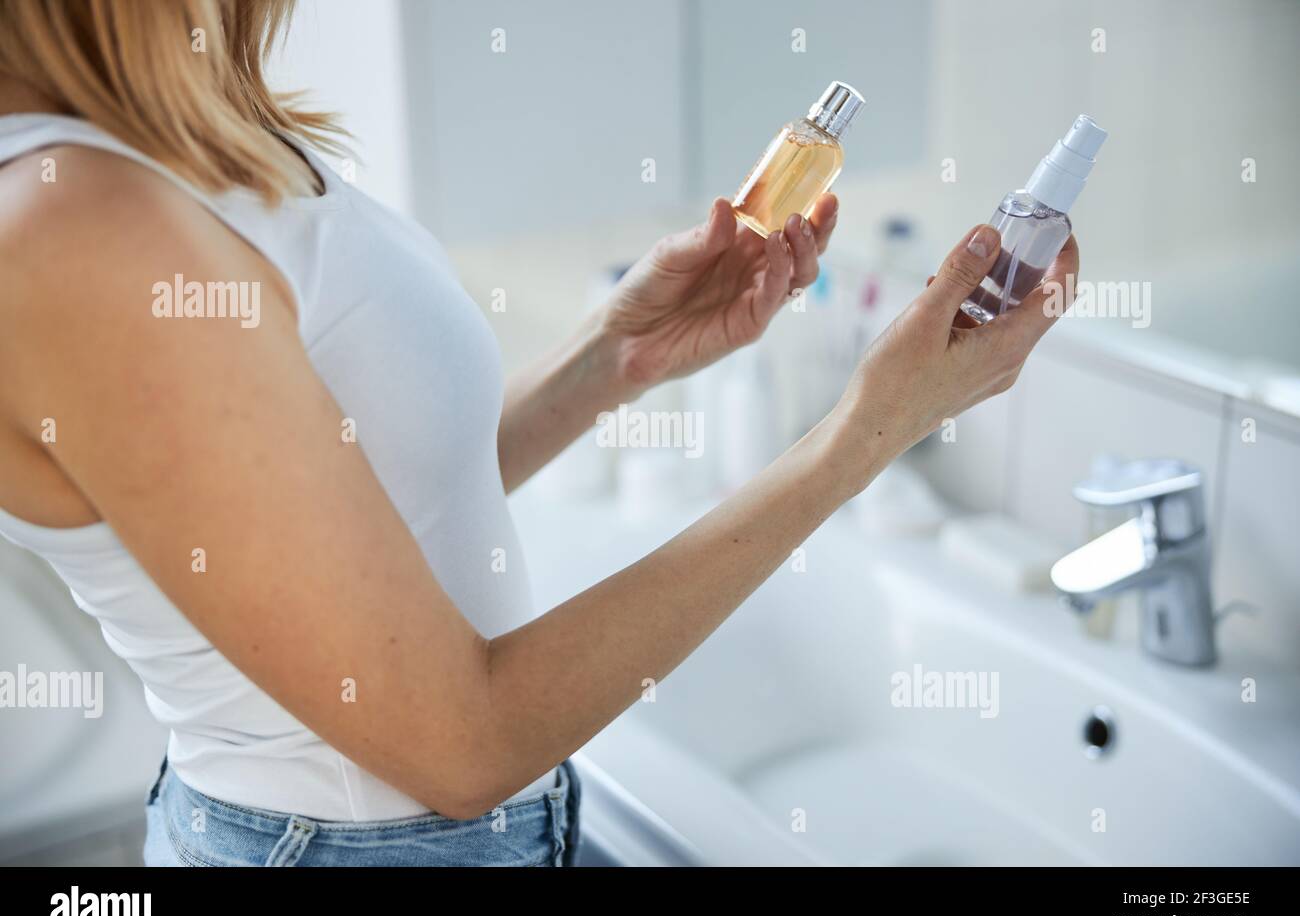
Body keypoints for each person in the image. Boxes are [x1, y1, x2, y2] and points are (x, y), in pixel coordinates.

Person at [0, 0, 1079, 866]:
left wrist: (611, 359)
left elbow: (353, 514)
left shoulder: (166, 140)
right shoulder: (77, 225)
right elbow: (461, 742)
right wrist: (864, 432)